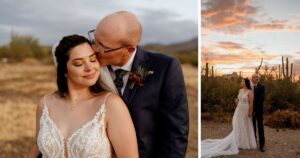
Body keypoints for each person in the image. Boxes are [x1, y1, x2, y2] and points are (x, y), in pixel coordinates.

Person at [91, 11, 189, 158]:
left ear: (129, 49)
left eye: (103, 46)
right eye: (94, 39)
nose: (94, 49)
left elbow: (175, 132)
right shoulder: (89, 67)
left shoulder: (165, 67)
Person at [27, 34, 138, 158]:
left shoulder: (111, 105)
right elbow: (36, 145)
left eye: (92, 60)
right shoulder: (45, 103)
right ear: (64, 70)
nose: (89, 68)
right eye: (79, 64)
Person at [201, 78, 257, 158]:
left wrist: (250, 112)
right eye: (241, 81)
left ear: (246, 83)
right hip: (239, 109)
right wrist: (236, 102)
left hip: (245, 109)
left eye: (242, 81)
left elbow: (251, 103)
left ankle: (245, 142)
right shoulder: (240, 90)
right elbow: (238, 100)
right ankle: (238, 141)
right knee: (238, 124)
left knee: (245, 125)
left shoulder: (250, 92)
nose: (241, 82)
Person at [251, 73, 265, 152]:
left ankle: (262, 144)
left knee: (260, 127)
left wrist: (255, 110)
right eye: (253, 77)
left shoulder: (262, 87)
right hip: (251, 111)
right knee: (252, 127)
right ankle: (254, 142)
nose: (255, 79)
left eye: (256, 77)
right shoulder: (250, 87)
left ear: (258, 79)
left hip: (259, 111)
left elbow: (261, 99)